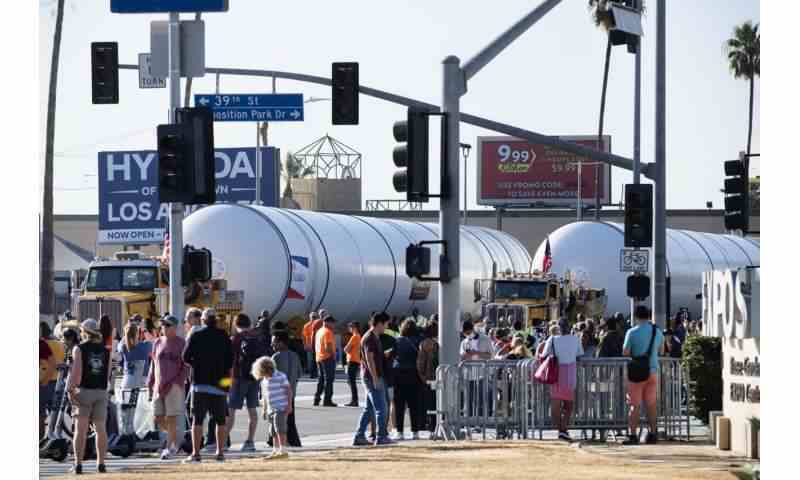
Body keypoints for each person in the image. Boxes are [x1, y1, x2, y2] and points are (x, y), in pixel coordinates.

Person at [182, 308, 233, 463]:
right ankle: (220, 452)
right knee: (220, 420)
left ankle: (196, 453)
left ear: (203, 320)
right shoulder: (224, 336)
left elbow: (185, 357)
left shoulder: (196, 335)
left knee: (197, 420)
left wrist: (196, 365)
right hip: (220, 385)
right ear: (216, 320)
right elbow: (231, 361)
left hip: (200, 384)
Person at [66, 319, 112, 475]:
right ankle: (101, 464)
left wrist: (70, 390)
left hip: (84, 391)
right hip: (101, 391)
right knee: (101, 429)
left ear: (84, 331)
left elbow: (76, 372)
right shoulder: (106, 350)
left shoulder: (79, 349)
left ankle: (78, 465)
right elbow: (107, 375)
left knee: (81, 430)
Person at [622, 306, 664, 445]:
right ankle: (653, 434)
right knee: (651, 405)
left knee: (635, 405)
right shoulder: (657, 331)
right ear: (648, 316)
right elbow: (662, 350)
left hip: (637, 372)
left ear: (636, 317)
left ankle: (633, 435)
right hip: (652, 371)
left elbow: (626, 352)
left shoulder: (632, 332)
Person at [146, 315, 186, 460]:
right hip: (159, 384)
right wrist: (150, 381)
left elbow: (185, 366)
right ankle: (174, 439)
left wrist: (178, 382)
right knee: (158, 417)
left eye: (167, 325)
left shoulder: (181, 343)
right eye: (163, 325)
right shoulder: (157, 342)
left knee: (171, 417)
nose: (164, 328)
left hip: (174, 385)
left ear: (175, 327)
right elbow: (153, 363)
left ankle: (168, 448)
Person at [226, 313, 267, 452]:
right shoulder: (256, 337)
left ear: (236, 324)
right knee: (252, 411)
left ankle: (223, 440)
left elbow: (230, 360)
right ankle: (250, 441)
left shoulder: (235, 339)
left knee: (231, 410)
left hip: (238, 377)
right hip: (254, 378)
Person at [352, 312, 393, 446]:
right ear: (380, 323)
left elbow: (371, 357)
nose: (386, 327)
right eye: (386, 324)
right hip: (372, 377)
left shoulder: (372, 337)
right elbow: (369, 359)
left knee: (369, 409)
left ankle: (359, 436)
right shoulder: (370, 338)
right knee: (382, 408)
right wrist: (375, 378)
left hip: (370, 376)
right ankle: (381, 436)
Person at [539, 322, 583, 442]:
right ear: (570, 328)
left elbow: (543, 355)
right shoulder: (576, 339)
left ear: (559, 327)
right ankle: (563, 429)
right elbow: (580, 356)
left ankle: (561, 430)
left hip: (556, 373)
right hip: (570, 373)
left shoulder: (552, 339)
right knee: (568, 406)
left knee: (555, 406)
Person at [252, 356, 293, 460]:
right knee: (273, 430)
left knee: (280, 428)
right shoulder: (264, 380)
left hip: (281, 407)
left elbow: (288, 391)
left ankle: (283, 451)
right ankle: (275, 450)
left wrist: (289, 405)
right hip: (271, 408)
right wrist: (264, 409)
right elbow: (265, 396)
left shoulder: (280, 376)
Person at [391, 320, 424, 440]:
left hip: (399, 374)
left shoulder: (398, 340)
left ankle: (400, 432)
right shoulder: (419, 340)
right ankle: (415, 432)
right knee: (414, 405)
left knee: (399, 405)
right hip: (414, 374)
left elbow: (392, 355)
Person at [271, 331, 303, 447]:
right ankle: (294, 441)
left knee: (276, 419)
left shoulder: (276, 357)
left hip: (278, 394)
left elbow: (270, 375)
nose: (272, 345)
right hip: (291, 392)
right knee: (290, 419)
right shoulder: (295, 355)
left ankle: (277, 441)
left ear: (281, 343)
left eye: (274, 342)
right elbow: (300, 373)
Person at [40, 322, 64, 440]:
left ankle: (42, 438)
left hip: (45, 379)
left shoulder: (43, 344)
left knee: (41, 411)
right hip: (58, 380)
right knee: (54, 411)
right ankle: (53, 435)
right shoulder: (59, 344)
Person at [416, 321, 439, 434]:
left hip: (428, 377)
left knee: (427, 402)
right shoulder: (437, 343)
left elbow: (420, 363)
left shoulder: (424, 344)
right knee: (435, 402)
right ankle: (434, 424)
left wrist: (422, 377)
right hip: (436, 376)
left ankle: (428, 424)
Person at [314, 315, 338, 407]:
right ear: (328, 322)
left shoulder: (319, 331)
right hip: (327, 358)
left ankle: (317, 398)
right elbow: (328, 347)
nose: (334, 325)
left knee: (321, 379)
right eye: (333, 323)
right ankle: (327, 400)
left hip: (319, 357)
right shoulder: (328, 332)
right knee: (329, 379)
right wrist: (333, 356)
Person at [39, 335, 57, 440]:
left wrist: (44, 381)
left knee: (40, 414)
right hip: (52, 381)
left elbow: (52, 363)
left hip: (44, 383)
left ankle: (40, 441)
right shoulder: (56, 343)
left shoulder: (41, 344)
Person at [343, 322, 362, 407]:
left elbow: (346, 349)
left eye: (350, 327)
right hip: (356, 360)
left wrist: (346, 349)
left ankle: (354, 400)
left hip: (352, 360)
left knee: (351, 381)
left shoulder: (354, 337)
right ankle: (354, 399)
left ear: (354, 328)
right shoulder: (359, 336)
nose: (349, 329)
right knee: (351, 381)